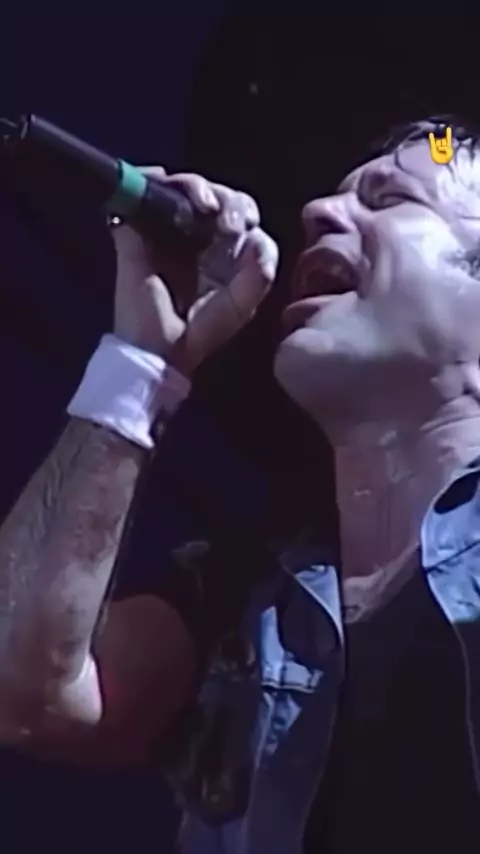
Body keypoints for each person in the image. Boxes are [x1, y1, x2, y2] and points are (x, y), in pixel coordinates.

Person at [0, 116, 480, 854]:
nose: (318, 211)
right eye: (338, 195)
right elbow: (23, 691)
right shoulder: (240, 595)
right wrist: (142, 359)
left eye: (389, 199)